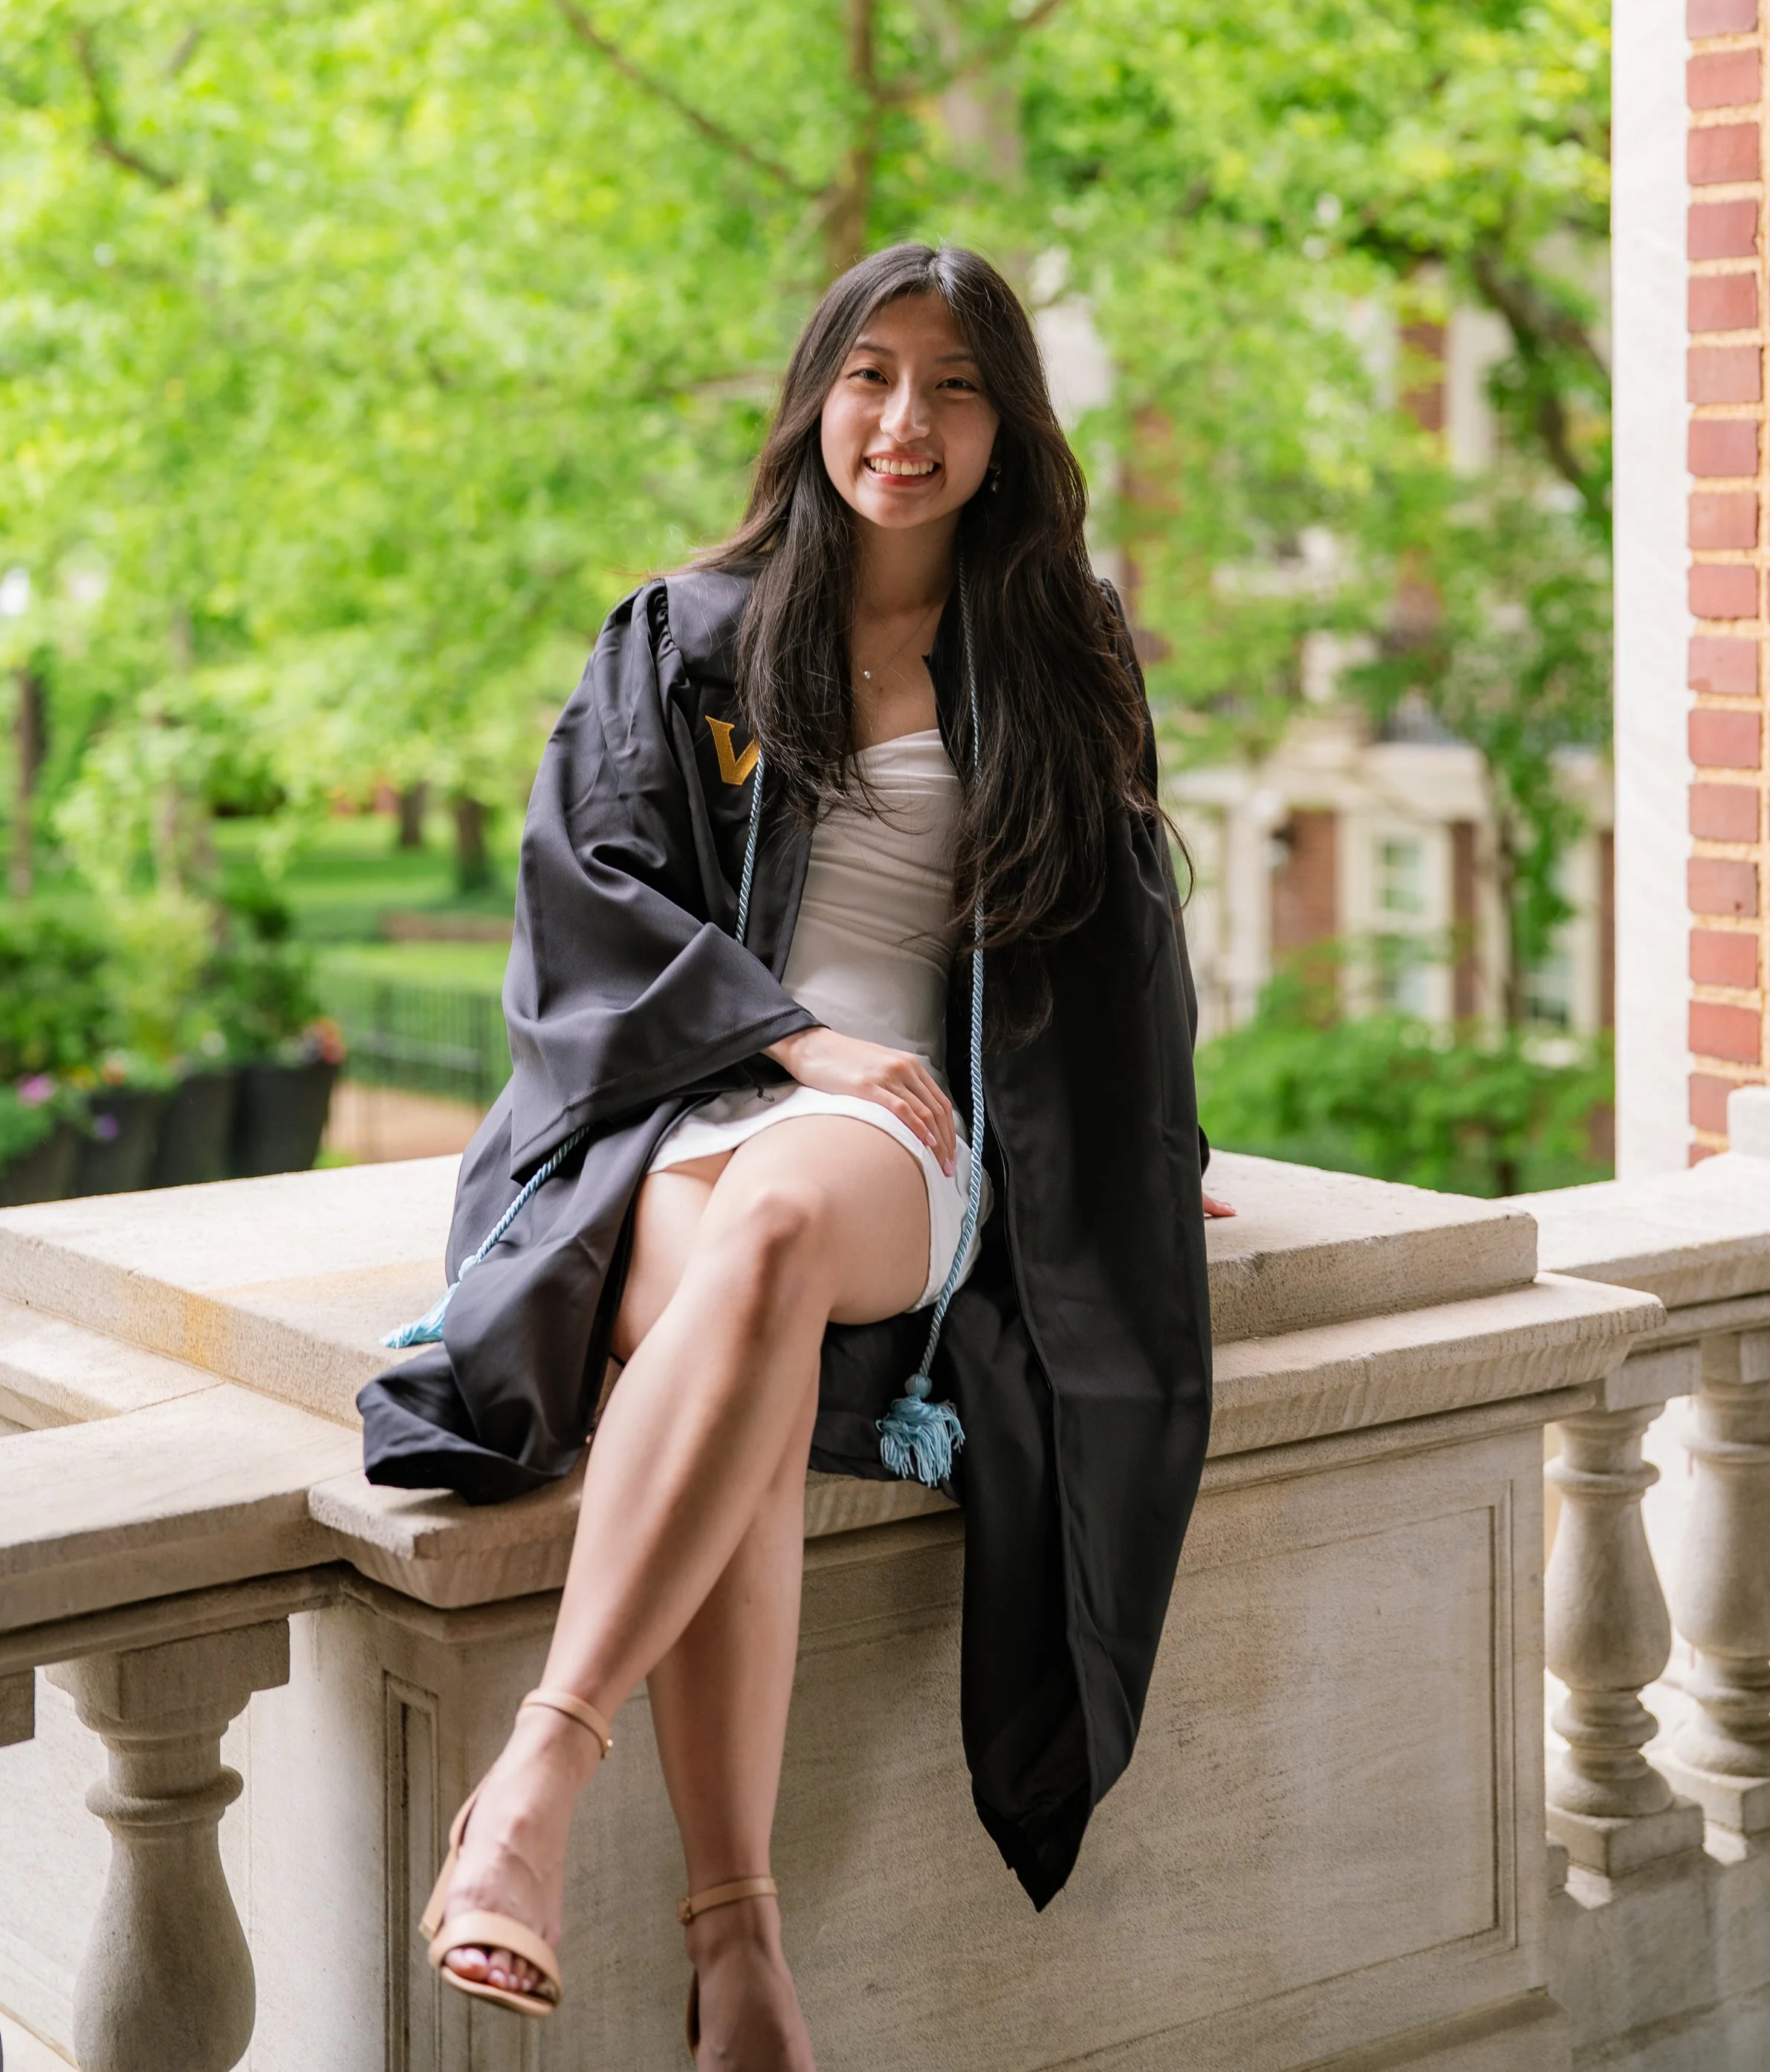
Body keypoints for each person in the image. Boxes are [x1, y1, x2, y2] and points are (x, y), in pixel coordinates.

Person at [359, 240, 1231, 2068]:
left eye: (954, 386)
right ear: (816, 393)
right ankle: (737, 1942)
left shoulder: (1059, 651)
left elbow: (1121, 930)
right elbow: (582, 903)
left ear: (1007, 427)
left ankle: (540, 1768)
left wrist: (1153, 1145)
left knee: (762, 1243)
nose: (903, 422)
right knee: (732, 1357)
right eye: (870, 374)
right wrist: (783, 1036)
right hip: (694, 1101)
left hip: (902, 1134)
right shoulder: (687, 638)